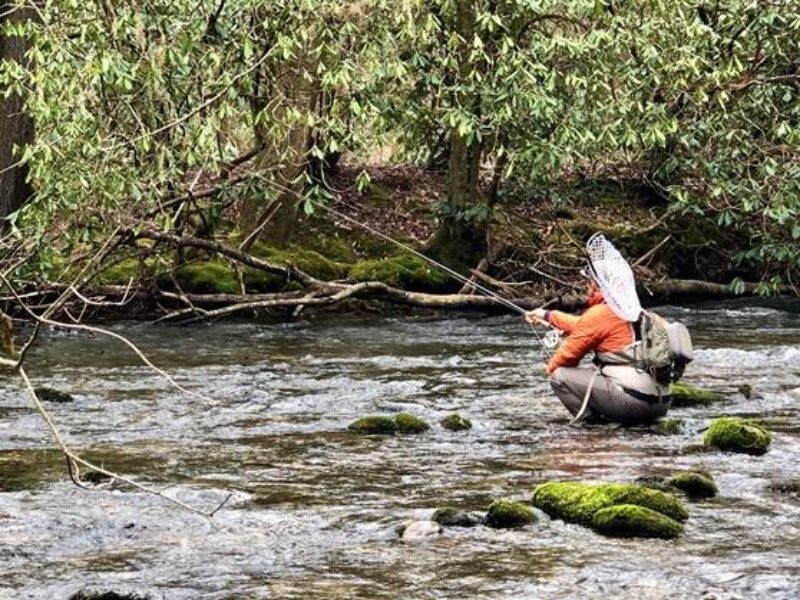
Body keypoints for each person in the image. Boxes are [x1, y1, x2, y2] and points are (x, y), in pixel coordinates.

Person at [525, 276, 671, 425]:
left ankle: (591, 426)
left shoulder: (601, 313)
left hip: (634, 404)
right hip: (662, 402)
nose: (587, 288)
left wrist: (549, 370)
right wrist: (546, 315)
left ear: (595, 285)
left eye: (588, 283)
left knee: (559, 376)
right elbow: (582, 326)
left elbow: (566, 357)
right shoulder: (636, 311)